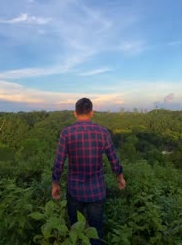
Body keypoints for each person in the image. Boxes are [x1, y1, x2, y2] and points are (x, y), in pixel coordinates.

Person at [51, 97, 126, 245]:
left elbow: (59, 162)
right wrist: (120, 177)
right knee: (96, 231)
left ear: (75, 113)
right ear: (92, 113)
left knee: (75, 230)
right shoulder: (102, 132)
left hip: (75, 191)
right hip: (97, 191)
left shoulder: (66, 133)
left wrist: (55, 183)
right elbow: (113, 158)